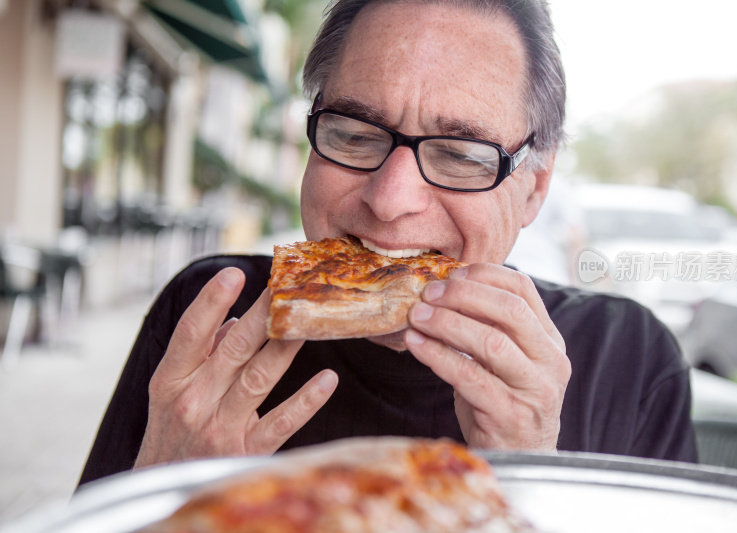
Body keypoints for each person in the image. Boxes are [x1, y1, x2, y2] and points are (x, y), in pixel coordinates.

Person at [79, 0, 696, 486]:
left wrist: (529, 478)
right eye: (353, 133)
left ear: (534, 189)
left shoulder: (629, 359)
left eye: (459, 154)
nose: (390, 197)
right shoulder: (212, 313)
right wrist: (160, 498)